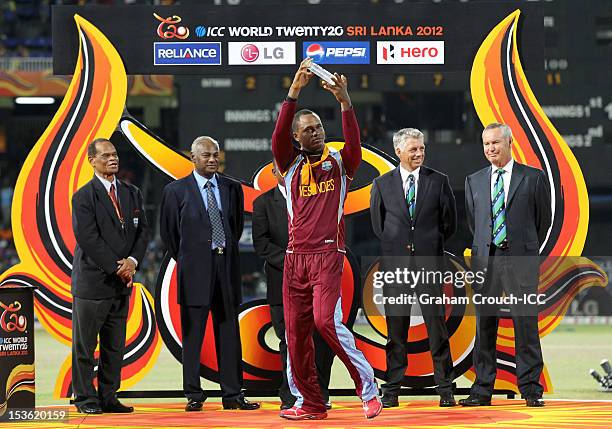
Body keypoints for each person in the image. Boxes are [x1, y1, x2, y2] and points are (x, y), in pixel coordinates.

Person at [272, 57, 382, 420]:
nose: (315, 132)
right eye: (307, 129)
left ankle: (368, 388)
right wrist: (294, 91)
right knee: (295, 333)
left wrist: (344, 100)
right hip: (293, 258)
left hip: (326, 255)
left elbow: (354, 142)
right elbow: (278, 138)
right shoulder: (287, 165)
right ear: (296, 136)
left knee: (325, 322)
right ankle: (311, 402)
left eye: (318, 127)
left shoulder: (340, 163)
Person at [159, 136, 259, 412]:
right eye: (206, 155)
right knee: (193, 337)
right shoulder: (175, 191)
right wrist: (193, 257)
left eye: (216, 155)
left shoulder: (231, 188)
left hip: (225, 267)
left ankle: (233, 395)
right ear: (193, 158)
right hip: (194, 272)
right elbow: (170, 235)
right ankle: (193, 393)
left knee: (229, 334)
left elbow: (235, 228)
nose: (212, 159)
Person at [460, 123, 551, 407]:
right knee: (484, 326)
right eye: (486, 144)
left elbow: (542, 221)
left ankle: (531, 389)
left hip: (520, 259)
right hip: (486, 260)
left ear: (510, 143)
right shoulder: (473, 180)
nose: (490, 149)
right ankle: (482, 390)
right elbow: (474, 222)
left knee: (526, 324)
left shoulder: (533, 178)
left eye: (495, 143)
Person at [370, 128, 457, 408]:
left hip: (429, 265)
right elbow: (379, 225)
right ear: (398, 151)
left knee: (437, 328)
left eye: (421, 149)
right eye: (413, 149)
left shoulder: (439, 181)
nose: (419, 153)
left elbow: (449, 224)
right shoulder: (382, 184)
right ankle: (392, 389)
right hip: (395, 267)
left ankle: (445, 388)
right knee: (396, 331)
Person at [71, 138, 149, 414]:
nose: (112, 159)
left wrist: (132, 261)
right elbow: (88, 238)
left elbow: (142, 233)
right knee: (85, 347)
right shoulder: (83, 196)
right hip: (93, 283)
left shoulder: (132, 192)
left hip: (121, 284)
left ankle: (108, 396)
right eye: (105, 156)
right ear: (91, 160)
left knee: (114, 347)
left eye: (114, 155)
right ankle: (84, 399)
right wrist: (118, 267)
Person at [252, 161, 335, 411]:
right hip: (282, 283)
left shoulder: (317, 199)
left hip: (317, 282)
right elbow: (261, 244)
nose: (289, 174)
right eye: (283, 170)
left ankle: (319, 393)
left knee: (320, 339)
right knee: (290, 340)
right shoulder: (263, 203)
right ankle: (291, 395)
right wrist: (293, 260)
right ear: (274, 173)